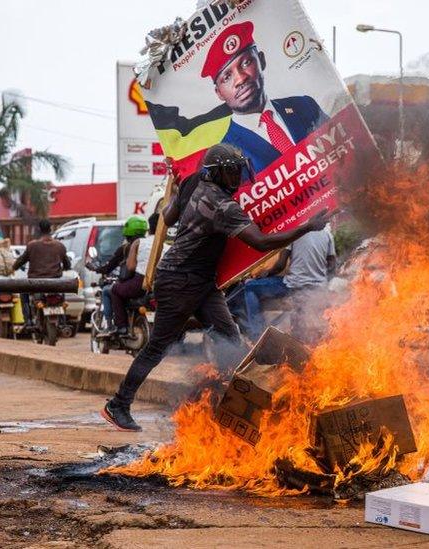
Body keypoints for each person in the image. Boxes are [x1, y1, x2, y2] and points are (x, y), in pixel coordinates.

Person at [100, 143, 329, 432]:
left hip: (202, 283)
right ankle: (118, 404)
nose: (237, 180)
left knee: (230, 340)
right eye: (232, 174)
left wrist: (175, 190)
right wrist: (307, 226)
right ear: (217, 173)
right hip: (179, 280)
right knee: (158, 346)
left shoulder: (193, 181)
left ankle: (228, 404)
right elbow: (260, 242)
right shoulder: (222, 206)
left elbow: (168, 217)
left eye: (238, 173)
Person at [202, 21, 329, 174]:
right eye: (227, 77)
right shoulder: (223, 159)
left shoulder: (305, 105)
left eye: (246, 63)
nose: (241, 79)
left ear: (261, 60)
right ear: (219, 93)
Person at [231, 226, 336, 340]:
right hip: (318, 288)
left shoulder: (294, 231)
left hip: (293, 285)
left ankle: (259, 335)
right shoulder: (327, 234)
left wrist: (262, 275)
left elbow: (280, 266)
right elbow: (332, 265)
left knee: (250, 287)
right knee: (302, 334)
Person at [86, 216, 149, 333]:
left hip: (135, 284)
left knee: (112, 290)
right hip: (151, 286)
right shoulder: (150, 245)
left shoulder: (126, 248)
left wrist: (95, 268)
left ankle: (119, 326)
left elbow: (108, 268)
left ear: (128, 232)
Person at [12, 219, 71, 323]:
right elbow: (67, 264)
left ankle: (28, 320)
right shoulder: (60, 246)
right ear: (51, 229)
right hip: (55, 283)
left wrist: (14, 267)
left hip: (36, 283)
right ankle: (63, 321)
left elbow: (21, 260)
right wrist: (65, 267)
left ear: (39, 230)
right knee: (62, 297)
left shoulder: (32, 245)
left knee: (23, 292)